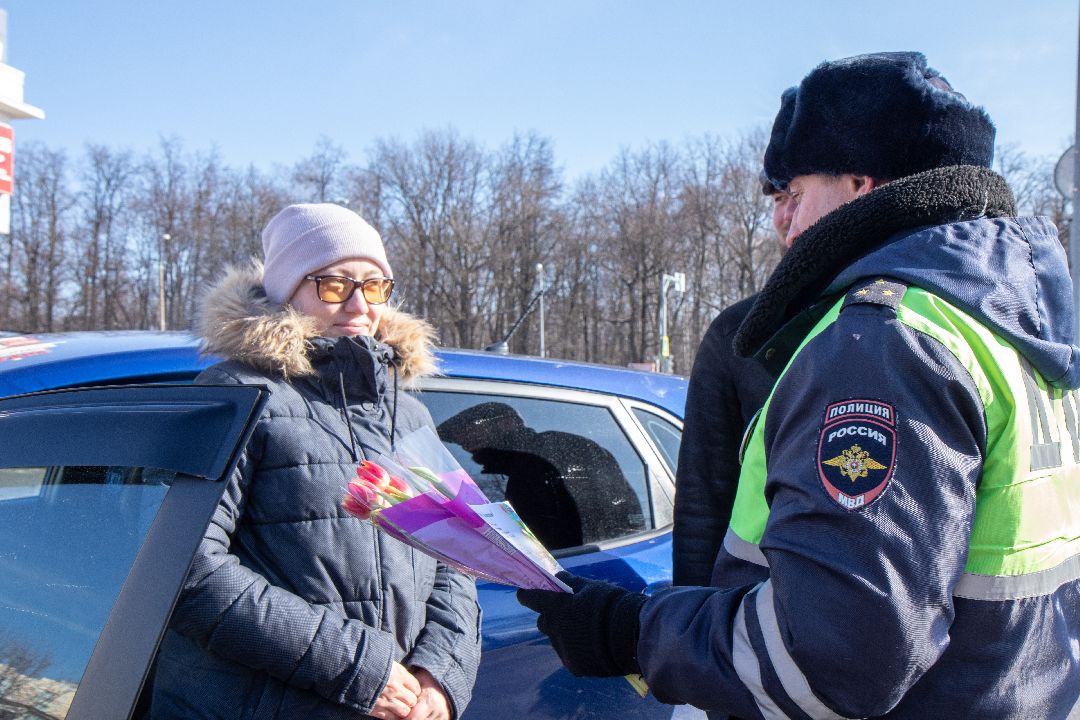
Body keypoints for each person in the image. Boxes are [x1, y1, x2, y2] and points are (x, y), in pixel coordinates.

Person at [518, 51, 1080, 719]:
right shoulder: (1006, 329)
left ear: (860, 186)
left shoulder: (883, 341)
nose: (780, 221)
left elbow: (833, 663)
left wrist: (631, 633)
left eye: (790, 194)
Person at [151, 203, 481, 720]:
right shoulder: (239, 397)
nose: (358, 304)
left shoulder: (408, 414)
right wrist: (358, 668)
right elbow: (185, 567)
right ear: (287, 291)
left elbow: (452, 556)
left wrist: (441, 674)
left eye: (375, 286)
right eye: (333, 284)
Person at [672, 178, 794, 586]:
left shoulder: (908, 323)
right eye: (779, 198)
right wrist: (689, 624)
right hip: (749, 613)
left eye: (799, 196)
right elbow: (701, 504)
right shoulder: (737, 332)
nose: (785, 216)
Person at [437, 401, 643, 550]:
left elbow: (626, 519)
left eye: (471, 429)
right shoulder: (498, 474)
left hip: (584, 572)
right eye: (458, 439)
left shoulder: (566, 452)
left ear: (507, 423)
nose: (462, 440)